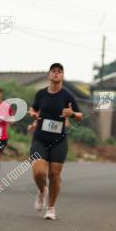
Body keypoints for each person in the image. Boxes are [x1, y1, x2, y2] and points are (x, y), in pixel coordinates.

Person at [28, 63, 83, 220]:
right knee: (39, 172)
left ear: (63, 75)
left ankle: (51, 208)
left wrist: (71, 114)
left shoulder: (67, 95)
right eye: (54, 71)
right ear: (49, 75)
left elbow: (80, 115)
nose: (56, 74)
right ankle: (41, 191)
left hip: (59, 140)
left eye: (59, 72)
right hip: (40, 138)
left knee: (54, 174)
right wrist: (32, 114)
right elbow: (33, 108)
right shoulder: (41, 94)